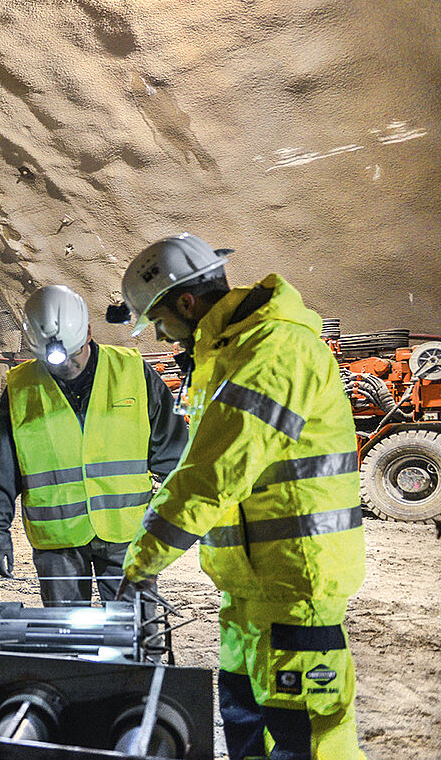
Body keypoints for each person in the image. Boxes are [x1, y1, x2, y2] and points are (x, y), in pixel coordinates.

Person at [114, 234, 366, 760]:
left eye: (158, 321)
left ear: (186, 303)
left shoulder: (274, 350)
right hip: (249, 589)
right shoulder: (230, 353)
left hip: (294, 587)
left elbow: (213, 472)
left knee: (306, 743)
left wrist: (141, 559)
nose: (159, 335)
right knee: (248, 728)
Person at [0, 284, 187, 604]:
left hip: (125, 534)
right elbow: (0, 467)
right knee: (66, 637)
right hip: (56, 541)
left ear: (89, 332)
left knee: (135, 633)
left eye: (73, 355)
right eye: (52, 360)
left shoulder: (131, 371)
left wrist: (177, 523)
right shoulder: (21, 387)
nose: (65, 366)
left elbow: (173, 453)